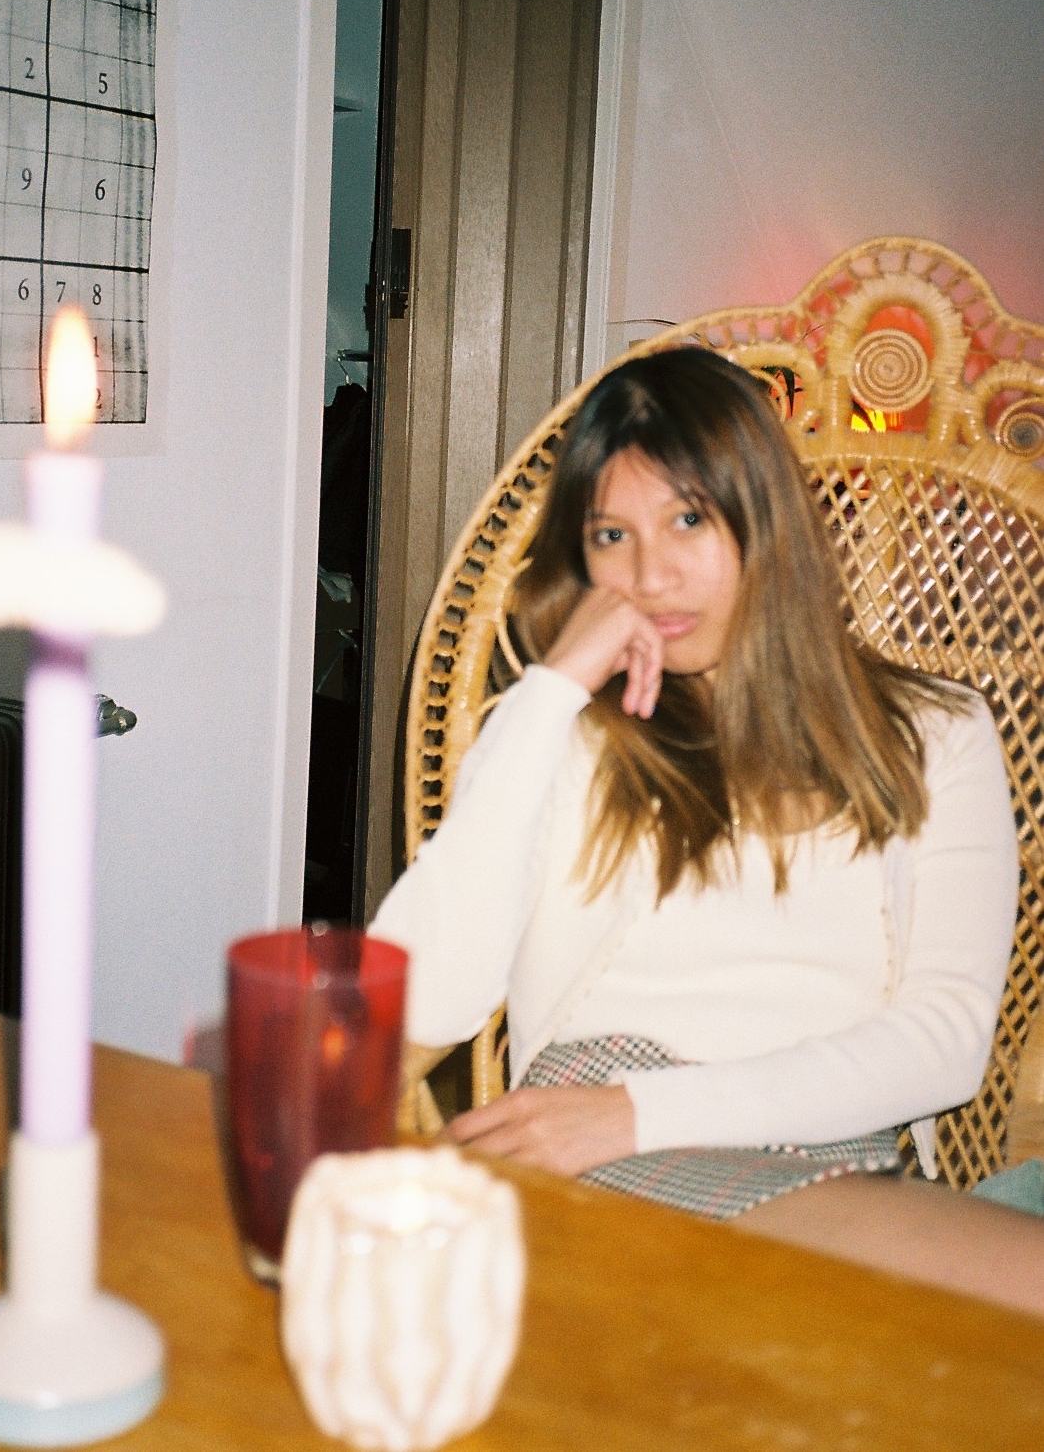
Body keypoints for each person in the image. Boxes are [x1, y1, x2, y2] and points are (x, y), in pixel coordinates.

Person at [372, 347, 1044, 1313]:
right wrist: (550, 692)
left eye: (689, 518)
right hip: (591, 1147)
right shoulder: (570, 738)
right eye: (611, 535)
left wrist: (638, 1115)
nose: (652, 576)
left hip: (823, 1151)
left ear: (766, 518)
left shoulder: (937, 734)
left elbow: (944, 1042)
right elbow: (421, 1000)